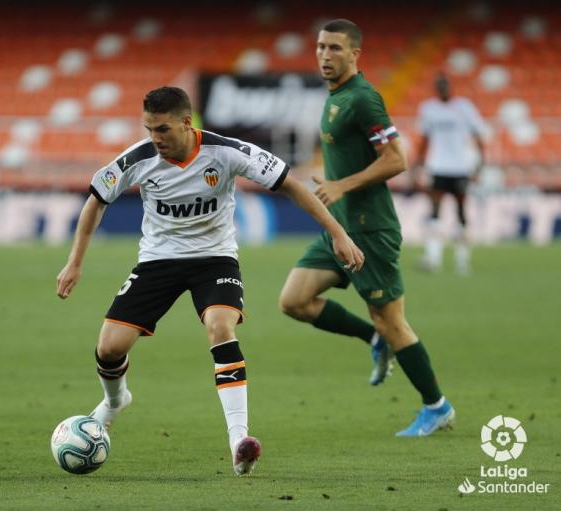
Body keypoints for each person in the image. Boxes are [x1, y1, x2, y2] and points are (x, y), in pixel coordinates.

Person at [56, 86, 364, 475]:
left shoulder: (227, 152)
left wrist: (339, 233)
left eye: (163, 129)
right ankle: (115, 402)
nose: (155, 138)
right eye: (149, 128)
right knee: (109, 348)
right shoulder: (139, 158)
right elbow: (95, 201)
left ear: (187, 123)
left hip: (214, 259)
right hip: (158, 261)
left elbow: (291, 184)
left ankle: (239, 441)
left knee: (220, 326)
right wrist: (74, 263)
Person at [279, 19, 455, 437]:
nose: (325, 55)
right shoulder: (335, 96)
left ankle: (437, 406)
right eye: (321, 47)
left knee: (391, 320)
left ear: (355, 54)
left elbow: (398, 158)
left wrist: (343, 185)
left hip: (369, 230)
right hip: (338, 228)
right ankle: (373, 340)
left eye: (335, 48)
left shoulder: (362, 98)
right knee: (294, 300)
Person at [414, 73, 486, 275]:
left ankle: (462, 261)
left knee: (461, 212)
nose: (442, 89)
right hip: (438, 167)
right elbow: (424, 140)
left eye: (444, 85)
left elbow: (479, 136)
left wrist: (479, 165)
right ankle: (433, 259)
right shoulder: (428, 109)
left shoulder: (464, 107)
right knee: (435, 211)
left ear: (450, 87)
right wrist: (417, 165)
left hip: (460, 168)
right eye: (439, 86)